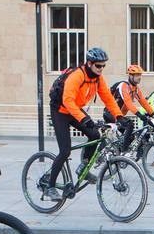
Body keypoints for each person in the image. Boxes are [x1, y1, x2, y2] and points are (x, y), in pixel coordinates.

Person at [45, 46, 124, 199]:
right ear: (89, 63)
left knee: (95, 134)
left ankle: (83, 167)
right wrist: (84, 119)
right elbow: (67, 100)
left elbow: (108, 98)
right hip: (60, 111)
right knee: (65, 150)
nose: (101, 68)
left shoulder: (98, 79)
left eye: (103, 65)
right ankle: (50, 186)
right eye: (98, 65)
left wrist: (119, 116)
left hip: (75, 110)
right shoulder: (77, 76)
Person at [105, 64, 154, 151]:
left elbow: (143, 102)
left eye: (140, 75)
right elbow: (128, 103)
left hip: (119, 116)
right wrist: (140, 116)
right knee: (130, 124)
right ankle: (124, 153)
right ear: (130, 75)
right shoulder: (124, 86)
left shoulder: (135, 88)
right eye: (137, 75)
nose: (139, 77)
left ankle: (118, 155)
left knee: (131, 137)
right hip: (110, 113)